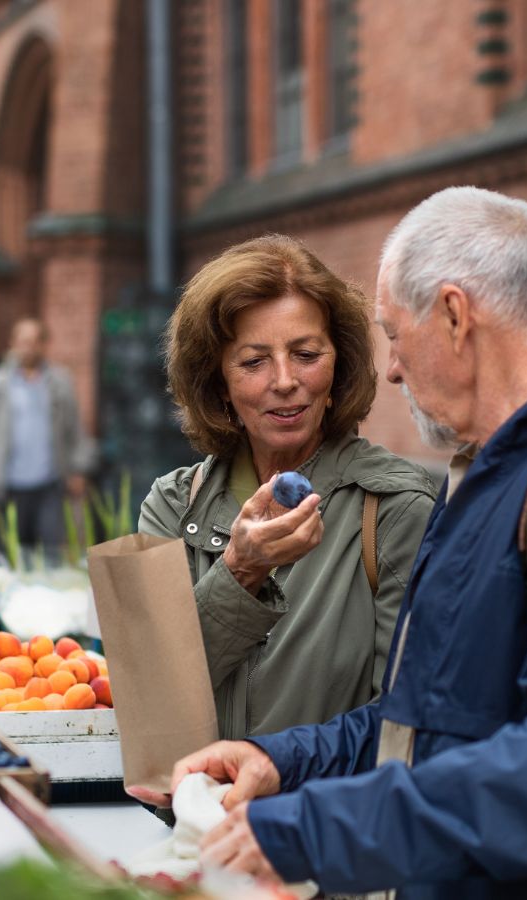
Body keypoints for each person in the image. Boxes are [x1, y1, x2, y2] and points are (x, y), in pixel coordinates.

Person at [153, 188, 527, 900]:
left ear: (453, 315)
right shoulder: (498, 471)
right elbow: (432, 722)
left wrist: (311, 830)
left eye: (395, 335)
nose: (395, 369)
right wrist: (283, 760)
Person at [133, 235, 435, 743]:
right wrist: (239, 572)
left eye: (306, 353)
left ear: (339, 363)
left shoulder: (394, 508)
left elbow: (402, 729)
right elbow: (148, 703)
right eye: (253, 362)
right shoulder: (170, 504)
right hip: (195, 819)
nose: (285, 380)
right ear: (217, 381)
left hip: (323, 820)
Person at [0, 318, 93, 562]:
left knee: (51, 554)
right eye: (23, 341)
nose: (29, 347)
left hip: (49, 482)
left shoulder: (59, 381)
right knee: (10, 555)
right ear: (13, 344)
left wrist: (78, 468)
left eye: (35, 341)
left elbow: (75, 428)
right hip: (8, 483)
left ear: (45, 345)